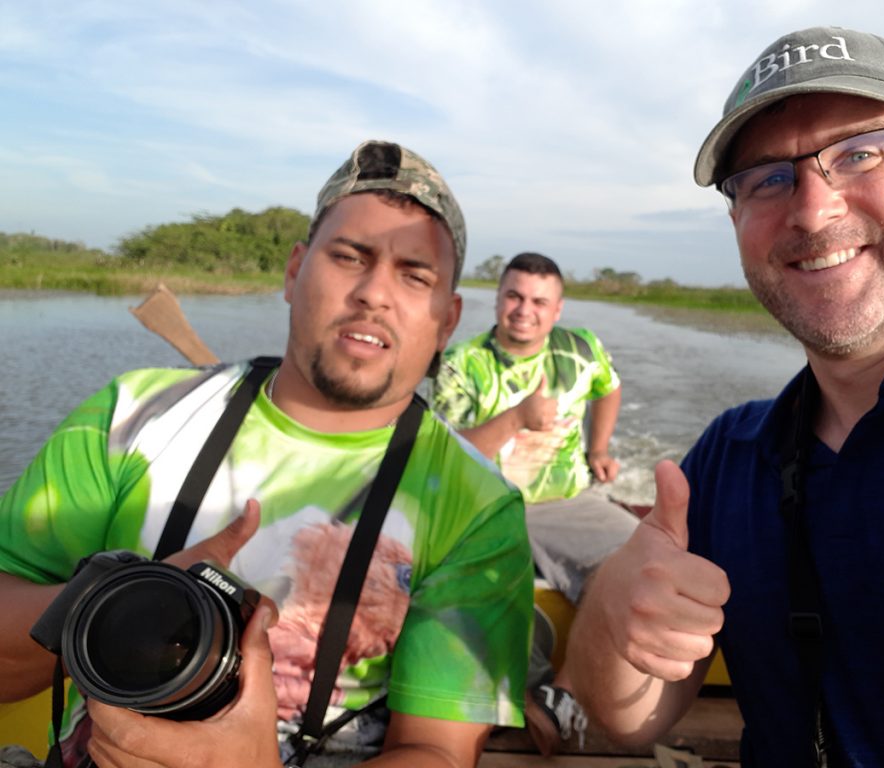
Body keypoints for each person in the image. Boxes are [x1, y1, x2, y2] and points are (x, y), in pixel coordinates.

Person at [567, 26, 884, 767]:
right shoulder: (726, 460)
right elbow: (625, 722)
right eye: (768, 177)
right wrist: (614, 608)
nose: (812, 211)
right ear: (738, 221)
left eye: (860, 152)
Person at [0, 139, 534, 768]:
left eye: (413, 275)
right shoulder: (131, 416)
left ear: (447, 321)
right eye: (349, 256)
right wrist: (120, 599)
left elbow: (436, 754)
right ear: (293, 271)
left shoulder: (478, 507)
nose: (373, 293)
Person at [430, 252, 638, 756]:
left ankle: (557, 694)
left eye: (539, 301)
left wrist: (599, 448)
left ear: (558, 309)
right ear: (498, 299)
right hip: (486, 503)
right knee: (470, 582)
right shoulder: (463, 363)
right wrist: (517, 417)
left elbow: (608, 388)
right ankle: (528, 681)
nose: (525, 309)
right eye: (515, 296)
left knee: (645, 561)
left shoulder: (580, 349)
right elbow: (444, 457)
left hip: (568, 501)